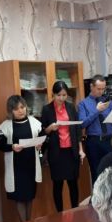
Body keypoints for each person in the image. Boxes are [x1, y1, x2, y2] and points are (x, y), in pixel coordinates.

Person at [41, 81, 85, 212]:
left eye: (64, 95)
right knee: (58, 184)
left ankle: (75, 211)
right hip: (56, 152)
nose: (61, 98)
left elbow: (77, 130)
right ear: (53, 95)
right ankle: (59, 214)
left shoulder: (71, 107)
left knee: (73, 183)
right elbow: (43, 132)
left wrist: (81, 150)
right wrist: (50, 128)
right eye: (58, 95)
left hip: (71, 151)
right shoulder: (47, 109)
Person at [0, 95, 43, 222]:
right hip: (16, 168)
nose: (20, 111)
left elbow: (44, 139)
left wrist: (40, 145)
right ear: (10, 111)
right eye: (16, 109)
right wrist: (12, 147)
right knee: (19, 198)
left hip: (31, 166)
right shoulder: (6, 125)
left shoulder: (34, 122)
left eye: (22, 107)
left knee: (29, 196)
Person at [79, 74, 112, 185]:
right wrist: (97, 111)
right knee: (96, 173)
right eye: (98, 89)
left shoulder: (108, 102)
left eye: (103, 89)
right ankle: (97, 196)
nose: (101, 91)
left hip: (109, 140)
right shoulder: (83, 104)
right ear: (91, 87)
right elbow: (82, 124)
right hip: (94, 142)